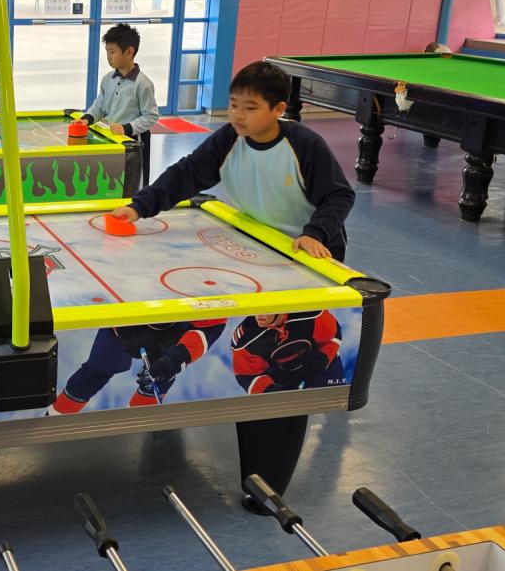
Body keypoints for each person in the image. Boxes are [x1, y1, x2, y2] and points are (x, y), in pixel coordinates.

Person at [109, 59, 356, 511]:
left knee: (296, 358)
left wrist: (314, 233)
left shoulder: (304, 144)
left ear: (278, 109)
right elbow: (188, 173)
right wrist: (140, 206)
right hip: (255, 249)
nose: (239, 115)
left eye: (250, 107)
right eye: (234, 105)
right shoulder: (229, 139)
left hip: (306, 259)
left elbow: (340, 194)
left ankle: (279, 460)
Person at [49, 320, 226, 414]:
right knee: (95, 373)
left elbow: (210, 326)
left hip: (174, 327)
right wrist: (124, 329)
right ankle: (55, 422)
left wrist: (176, 359)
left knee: (159, 376)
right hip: (127, 316)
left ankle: (137, 432)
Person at [81, 23, 160, 185]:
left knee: (135, 184)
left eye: (112, 52)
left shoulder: (143, 84)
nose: (108, 57)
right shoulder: (107, 79)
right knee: (114, 181)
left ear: (129, 52)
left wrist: (127, 128)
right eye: (107, 52)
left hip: (134, 141)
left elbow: (151, 116)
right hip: (113, 137)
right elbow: (100, 105)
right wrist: (87, 119)